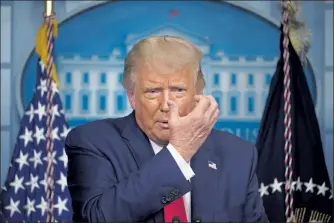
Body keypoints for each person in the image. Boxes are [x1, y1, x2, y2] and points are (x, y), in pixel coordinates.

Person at [65, 36, 269, 222]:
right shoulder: (92, 141)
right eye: (153, 91)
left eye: (178, 90)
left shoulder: (238, 154)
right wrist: (179, 152)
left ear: (198, 94)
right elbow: (97, 218)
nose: (166, 104)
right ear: (132, 97)